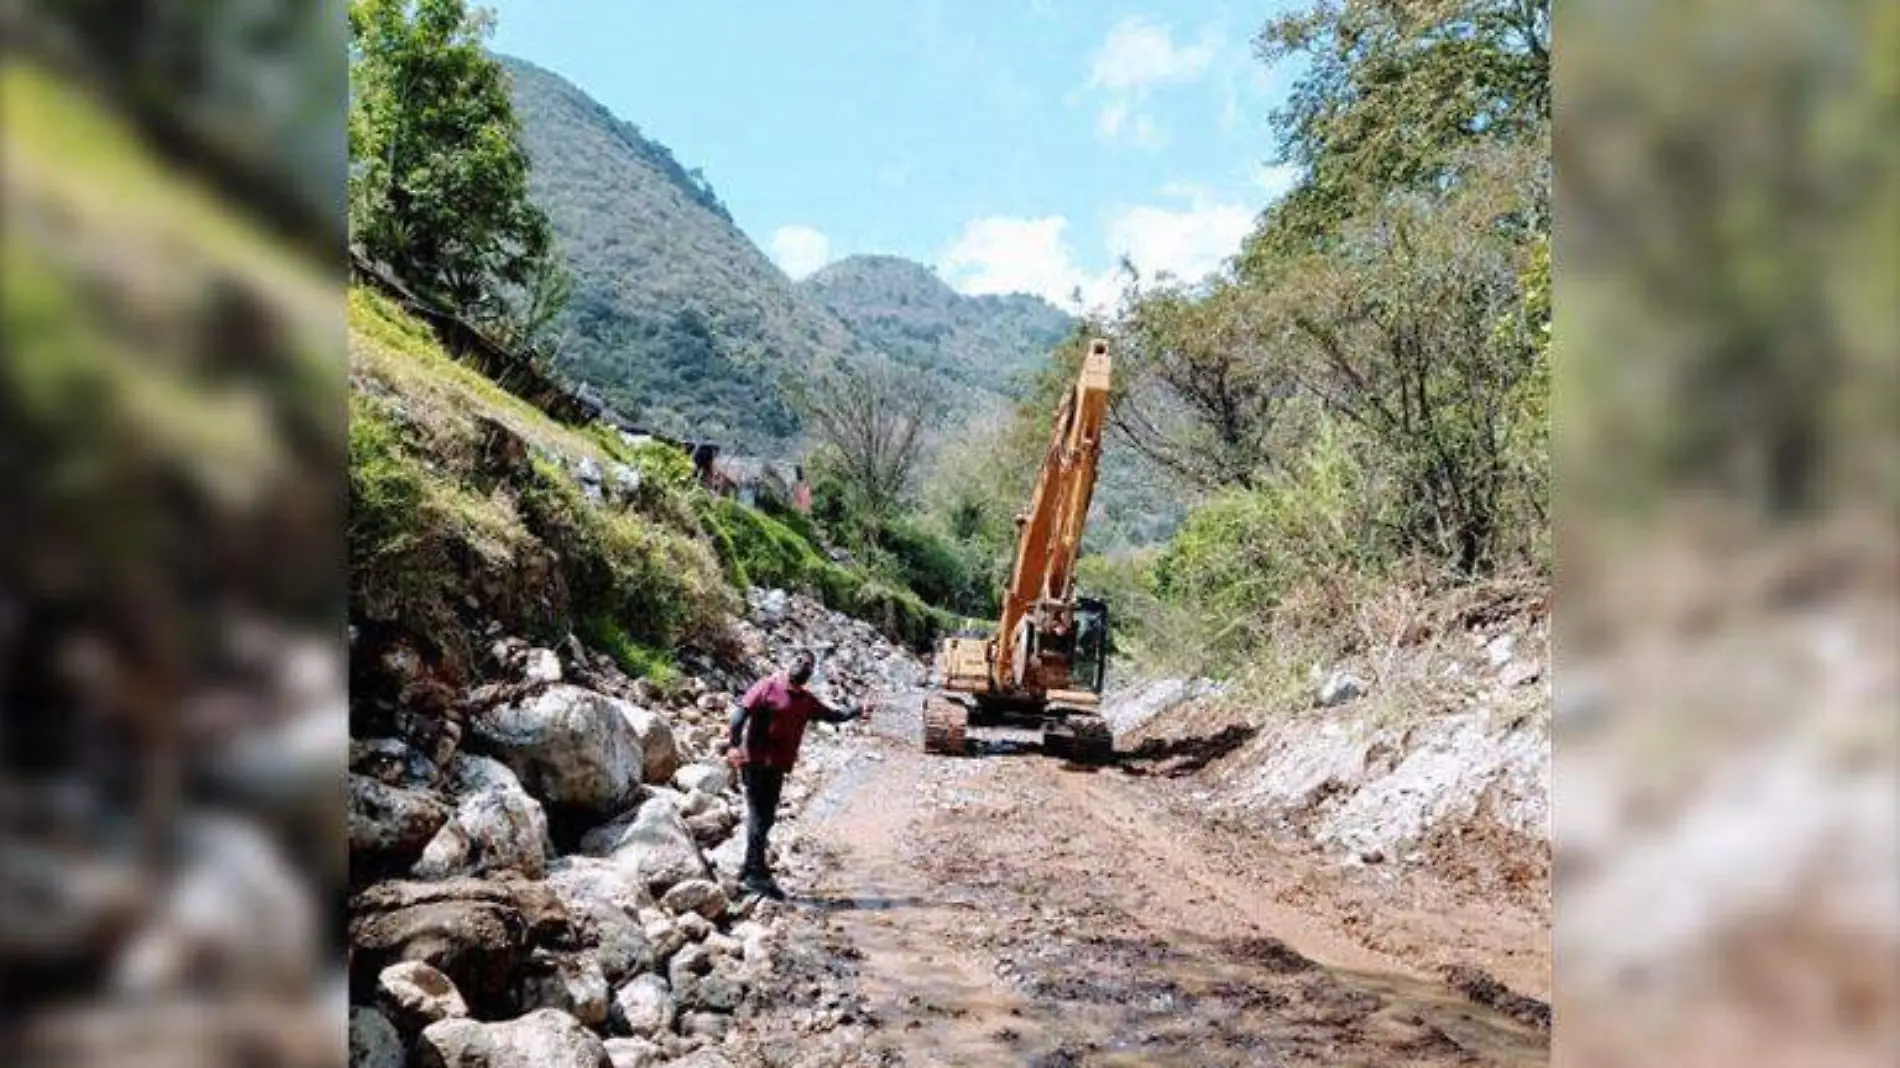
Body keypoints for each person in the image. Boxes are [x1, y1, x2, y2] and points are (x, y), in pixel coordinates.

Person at [726, 650, 862, 898]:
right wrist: (734, 746)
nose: (803, 666)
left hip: (778, 766)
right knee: (759, 816)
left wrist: (857, 710)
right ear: (790, 662)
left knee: (766, 818)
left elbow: (834, 716)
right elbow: (740, 714)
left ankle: (750, 868)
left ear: (811, 673)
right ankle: (756, 875)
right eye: (799, 661)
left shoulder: (806, 701)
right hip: (756, 761)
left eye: (808, 665)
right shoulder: (767, 686)